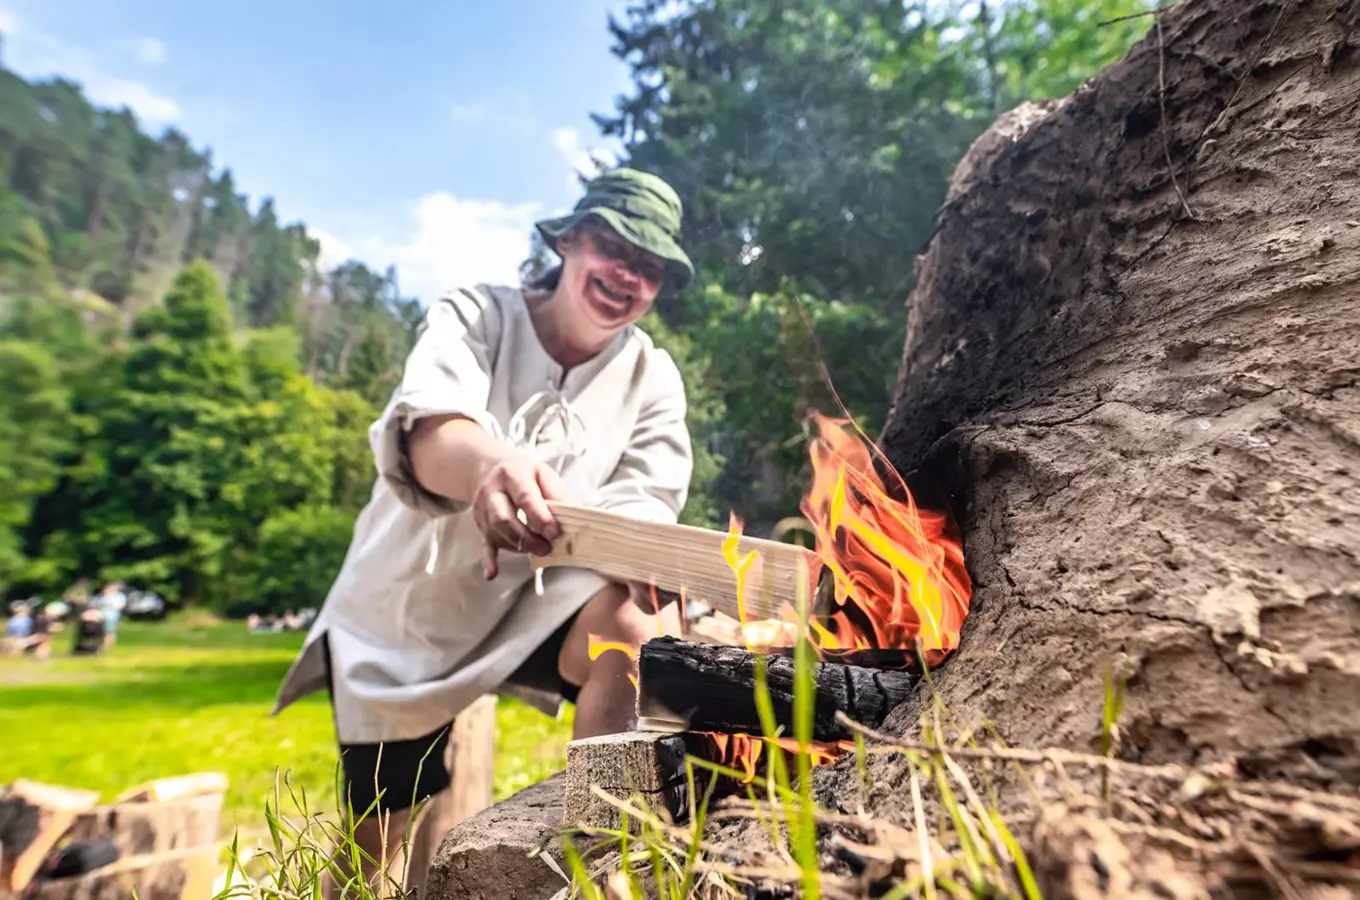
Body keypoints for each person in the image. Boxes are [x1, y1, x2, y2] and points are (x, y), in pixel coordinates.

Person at [271, 167, 697, 896]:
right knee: (380, 832)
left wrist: (649, 550)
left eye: (649, 266)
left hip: (536, 603)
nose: (626, 275)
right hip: (410, 610)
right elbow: (431, 433)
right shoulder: (479, 314)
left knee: (630, 620)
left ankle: (604, 855)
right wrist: (492, 466)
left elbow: (646, 502)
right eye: (611, 245)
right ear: (567, 242)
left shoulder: (651, 376)